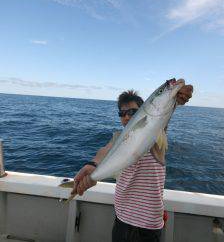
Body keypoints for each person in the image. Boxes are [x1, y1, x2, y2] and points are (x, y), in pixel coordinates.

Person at [71, 79, 193, 242]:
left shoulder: (157, 134)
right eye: (122, 113)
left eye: (133, 112)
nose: (127, 116)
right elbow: (103, 152)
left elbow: (161, 116)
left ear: (143, 111)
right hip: (121, 220)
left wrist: (175, 99)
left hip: (149, 226)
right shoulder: (117, 139)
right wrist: (92, 167)